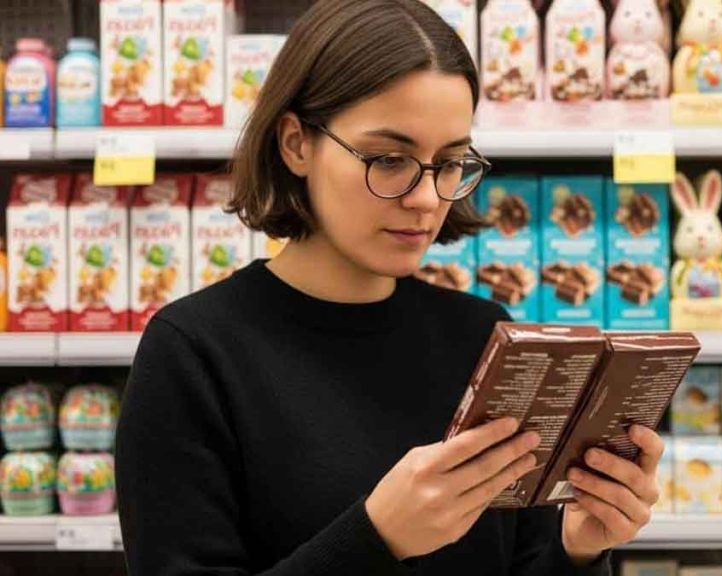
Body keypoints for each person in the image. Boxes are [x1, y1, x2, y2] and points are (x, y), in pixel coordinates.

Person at [115, 1, 664, 574]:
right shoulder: (192, 353)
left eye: (450, 162)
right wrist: (377, 537)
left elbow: (524, 561)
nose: (426, 198)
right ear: (296, 144)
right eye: (388, 159)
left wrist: (577, 548)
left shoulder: (486, 336)